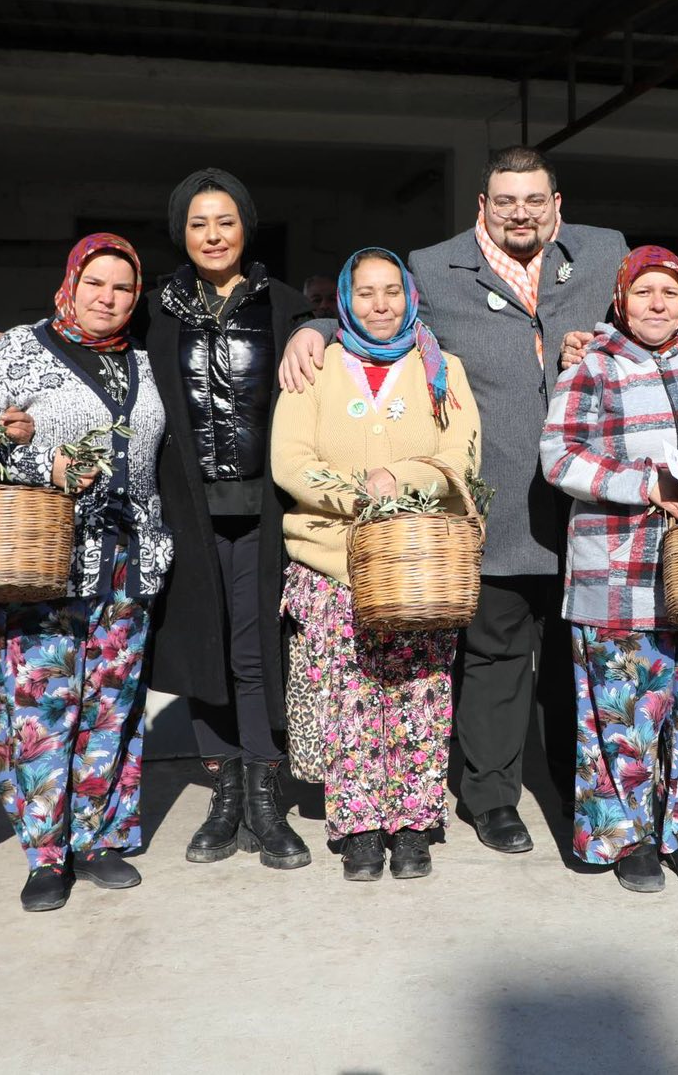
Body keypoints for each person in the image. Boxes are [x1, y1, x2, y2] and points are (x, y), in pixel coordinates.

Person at [283, 147, 626, 854]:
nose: (521, 213)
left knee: (574, 660)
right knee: (494, 660)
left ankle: (574, 786)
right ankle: (492, 798)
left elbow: (653, 312)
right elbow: (378, 314)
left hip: (589, 503)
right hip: (492, 503)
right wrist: (313, 328)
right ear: (482, 206)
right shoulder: (435, 267)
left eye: (535, 199)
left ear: (558, 204)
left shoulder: (603, 251)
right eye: (506, 201)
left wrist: (606, 343)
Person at [540, 247, 678, 892]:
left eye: (669, 292)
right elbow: (558, 456)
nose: (658, 304)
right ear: (621, 300)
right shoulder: (594, 368)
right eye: (645, 293)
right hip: (616, 574)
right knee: (620, 714)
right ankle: (626, 838)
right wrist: (644, 485)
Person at [0, 233, 171, 912]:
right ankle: (46, 853)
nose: (108, 298)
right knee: (41, 710)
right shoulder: (15, 349)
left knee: (112, 706)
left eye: (122, 288)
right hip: (41, 562)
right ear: (71, 284)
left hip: (125, 564)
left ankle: (101, 838)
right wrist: (38, 465)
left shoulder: (144, 363)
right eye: (97, 284)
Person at [271, 249, 483, 881]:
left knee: (420, 693)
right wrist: (360, 494)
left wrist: (404, 479)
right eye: (366, 293)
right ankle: (360, 826)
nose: (381, 305)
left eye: (392, 291)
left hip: (417, 562)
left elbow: (460, 454)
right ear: (344, 300)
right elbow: (290, 459)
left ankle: (415, 823)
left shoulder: (443, 370)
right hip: (333, 561)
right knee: (350, 696)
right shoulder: (315, 367)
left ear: (411, 296)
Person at [143, 171, 314, 870]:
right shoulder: (152, 312)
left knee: (256, 650)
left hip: (262, 509)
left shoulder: (285, 306)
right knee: (203, 649)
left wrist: (322, 324)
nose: (212, 235)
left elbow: (335, 341)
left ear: (246, 228)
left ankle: (264, 793)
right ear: (181, 234)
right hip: (186, 508)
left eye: (225, 222)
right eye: (197, 224)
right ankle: (224, 795)